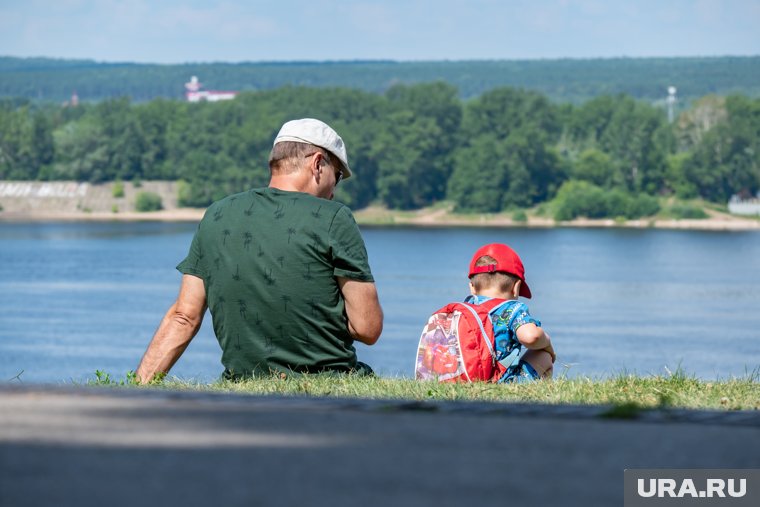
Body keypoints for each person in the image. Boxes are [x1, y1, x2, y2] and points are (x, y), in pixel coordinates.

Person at [136, 118, 383, 382]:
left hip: (242, 384)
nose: (334, 191)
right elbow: (367, 328)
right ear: (318, 163)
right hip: (328, 383)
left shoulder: (217, 215)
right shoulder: (334, 218)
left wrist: (136, 389)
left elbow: (184, 317)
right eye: (337, 177)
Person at [466, 243, 555, 382]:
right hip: (500, 382)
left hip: (465, 377)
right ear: (516, 287)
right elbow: (531, 337)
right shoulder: (512, 309)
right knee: (543, 356)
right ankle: (540, 400)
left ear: (472, 287)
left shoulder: (465, 309)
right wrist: (548, 343)